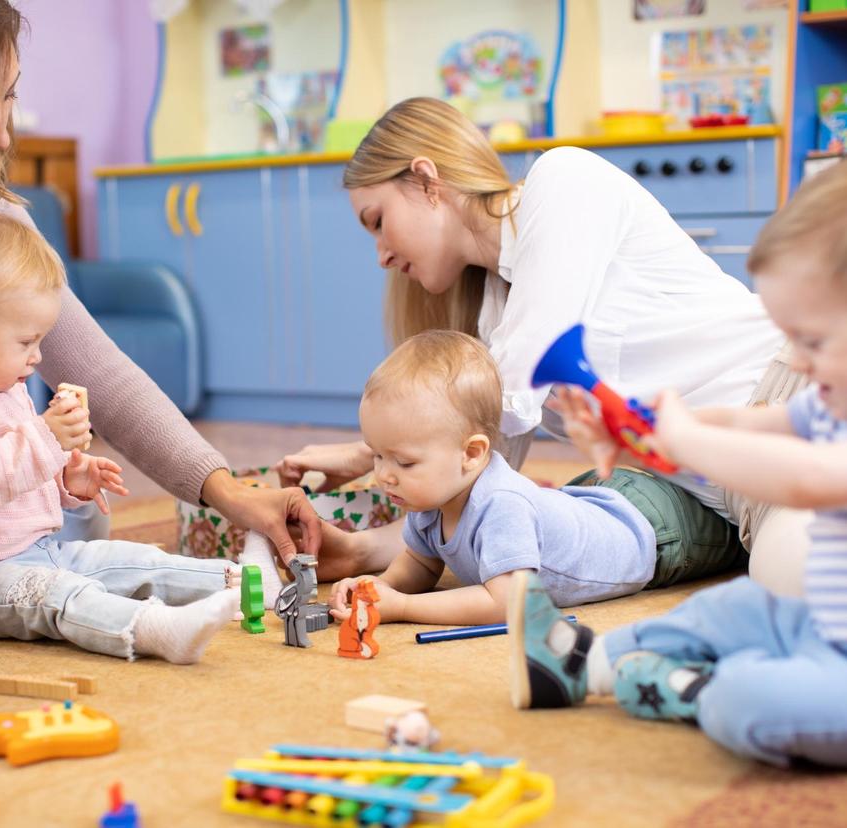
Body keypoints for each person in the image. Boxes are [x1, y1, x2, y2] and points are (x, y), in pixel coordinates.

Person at [0, 0, 318, 651]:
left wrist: (230, 495)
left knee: (82, 520)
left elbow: (101, 370)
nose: (3, 134)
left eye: (8, 98)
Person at [276, 96, 804, 591]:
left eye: (378, 222)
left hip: (790, 399)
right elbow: (470, 492)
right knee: (785, 581)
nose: (381, 256)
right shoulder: (493, 325)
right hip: (732, 495)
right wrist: (361, 549)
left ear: (426, 181)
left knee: (797, 578)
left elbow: (519, 386)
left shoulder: (565, 182)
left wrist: (372, 451)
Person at [507, 162, 847, 768]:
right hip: (821, 628)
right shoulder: (825, 404)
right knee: (731, 609)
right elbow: (742, 426)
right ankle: (579, 665)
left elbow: (799, 476)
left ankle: (690, 691)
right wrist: (636, 436)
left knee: (747, 694)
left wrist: (685, 439)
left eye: (812, 341)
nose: (792, 357)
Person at [0, 213, 255, 663]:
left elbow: (15, 477)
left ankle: (239, 581)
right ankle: (151, 628)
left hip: (36, 549)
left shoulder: (0, 384)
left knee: (124, 559)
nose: (38, 356)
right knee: (64, 596)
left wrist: (66, 482)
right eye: (26, 342)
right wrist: (46, 439)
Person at [327, 331, 742, 627]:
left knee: (740, 535)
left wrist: (401, 608)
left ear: (471, 455)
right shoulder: (426, 500)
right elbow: (420, 562)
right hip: (597, 498)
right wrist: (377, 587)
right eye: (377, 455)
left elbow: (507, 603)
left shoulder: (499, 504)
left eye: (403, 462)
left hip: (655, 534)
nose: (384, 475)